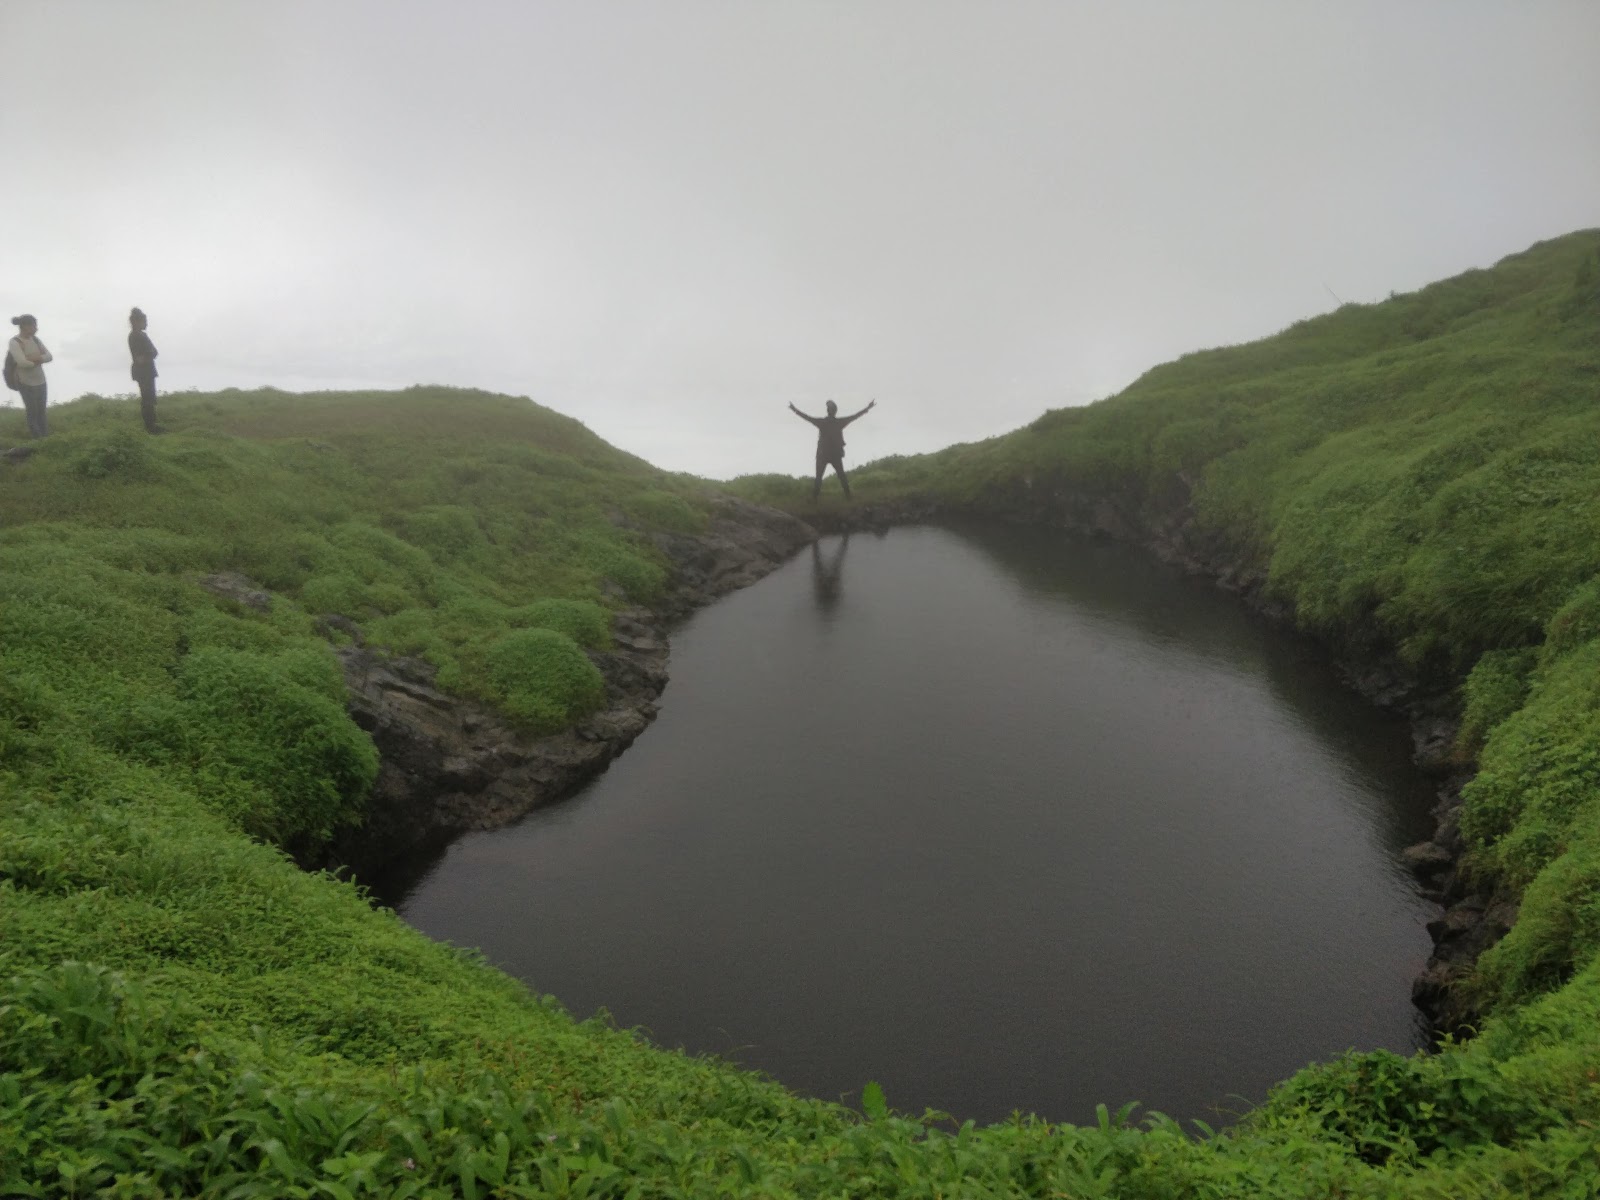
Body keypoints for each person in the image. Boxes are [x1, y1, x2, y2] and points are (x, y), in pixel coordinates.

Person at [788, 398, 875, 500]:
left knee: (821, 478)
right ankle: (847, 497)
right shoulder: (838, 422)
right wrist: (868, 408)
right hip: (833, 454)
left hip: (824, 454)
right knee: (840, 476)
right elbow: (854, 416)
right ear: (835, 411)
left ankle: (815, 499)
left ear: (828, 411)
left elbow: (807, 418)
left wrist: (795, 410)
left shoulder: (823, 422)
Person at [8, 315, 52, 438]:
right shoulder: (15, 342)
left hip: (41, 381)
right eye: (34, 326)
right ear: (25, 326)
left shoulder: (36, 340)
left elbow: (49, 356)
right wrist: (40, 359)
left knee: (41, 412)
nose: (36, 329)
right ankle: (38, 440)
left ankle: (46, 439)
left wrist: (34, 359)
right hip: (25, 382)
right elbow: (22, 363)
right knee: (32, 412)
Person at [128, 307, 161, 433]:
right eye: (144, 321)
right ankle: (150, 427)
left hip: (146, 370)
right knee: (147, 399)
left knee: (149, 398)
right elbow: (142, 358)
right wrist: (148, 355)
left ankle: (152, 425)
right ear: (137, 321)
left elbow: (154, 352)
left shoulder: (140, 335)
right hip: (143, 371)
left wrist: (148, 355)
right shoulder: (135, 336)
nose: (146, 324)